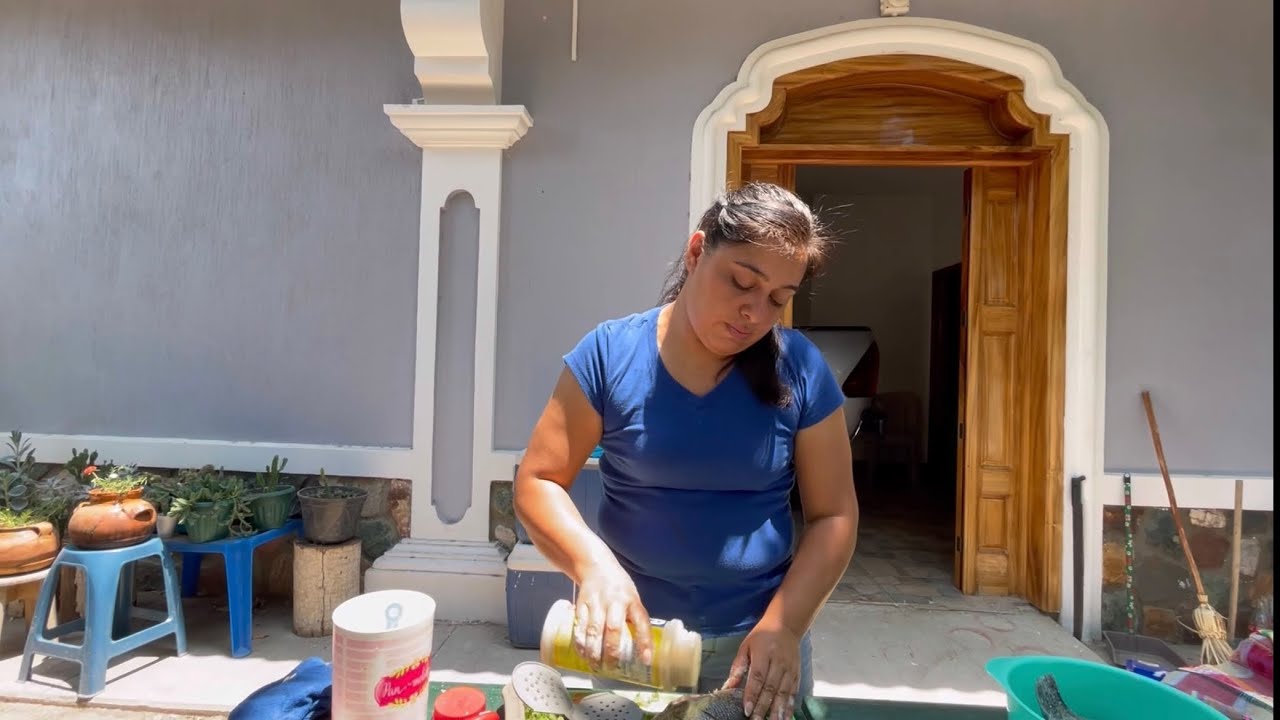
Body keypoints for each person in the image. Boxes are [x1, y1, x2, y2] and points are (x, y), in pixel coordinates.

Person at [514, 182, 859, 720]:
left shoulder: (800, 368)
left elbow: (834, 514)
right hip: (633, 643)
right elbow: (539, 481)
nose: (755, 312)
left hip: (759, 654)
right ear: (697, 252)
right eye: (742, 282)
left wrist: (785, 625)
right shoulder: (609, 354)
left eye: (778, 299)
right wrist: (594, 567)